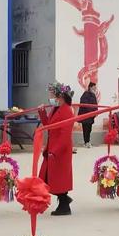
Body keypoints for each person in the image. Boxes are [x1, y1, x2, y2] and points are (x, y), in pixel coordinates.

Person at [38, 82, 74, 216]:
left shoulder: (67, 111)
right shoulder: (56, 108)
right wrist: (42, 112)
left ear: (60, 96)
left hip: (60, 151)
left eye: (53, 95)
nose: (51, 97)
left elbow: (65, 135)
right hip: (52, 149)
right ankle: (64, 202)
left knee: (59, 179)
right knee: (48, 177)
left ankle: (64, 204)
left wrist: (55, 151)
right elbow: (48, 125)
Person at [77, 82, 98, 148]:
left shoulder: (93, 95)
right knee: (85, 129)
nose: (95, 88)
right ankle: (86, 142)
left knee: (89, 129)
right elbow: (84, 104)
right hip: (86, 115)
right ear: (90, 87)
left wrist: (95, 112)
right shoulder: (85, 94)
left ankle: (88, 141)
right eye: (94, 87)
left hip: (91, 116)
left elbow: (95, 105)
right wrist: (90, 111)